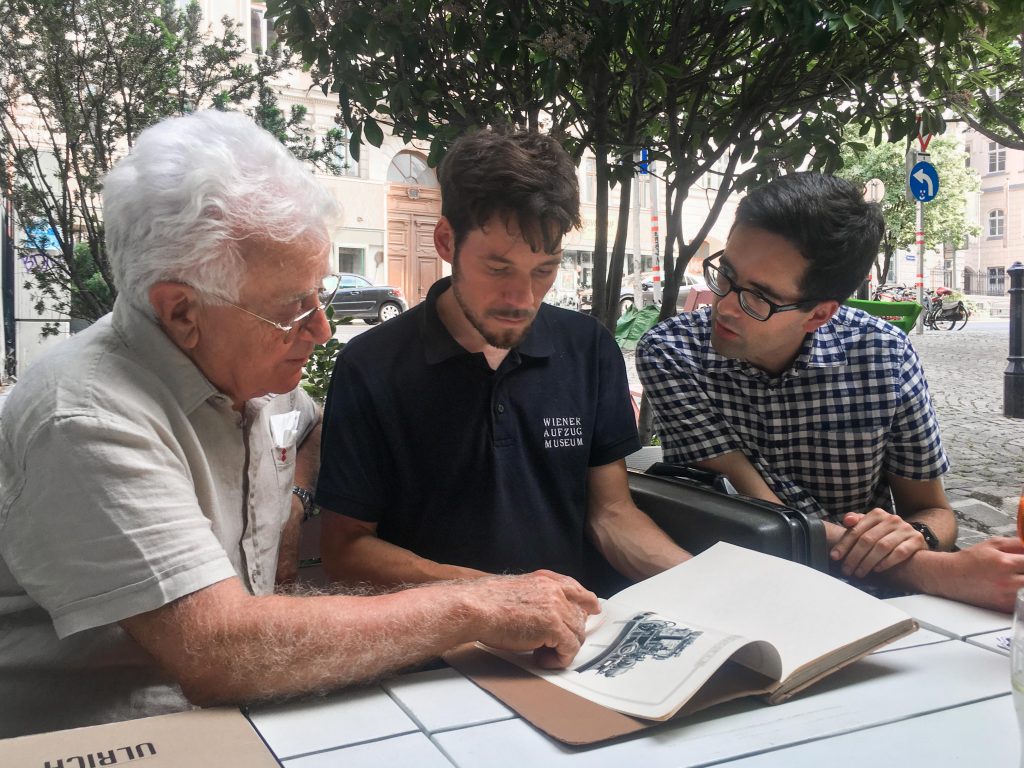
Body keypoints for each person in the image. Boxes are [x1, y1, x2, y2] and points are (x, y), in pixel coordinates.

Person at [0, 111, 599, 739]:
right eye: (292, 308)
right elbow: (219, 651)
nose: (321, 330)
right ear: (180, 312)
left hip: (235, 721)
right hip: (96, 737)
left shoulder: (252, 373)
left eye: (321, 295)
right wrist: (481, 603)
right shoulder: (85, 416)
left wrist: (297, 494)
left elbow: (306, 427)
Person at [316, 129, 689, 596]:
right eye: (498, 269)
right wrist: (503, 598)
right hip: (436, 653)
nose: (523, 298)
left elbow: (610, 513)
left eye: (544, 270)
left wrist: (698, 579)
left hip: (573, 641)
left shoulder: (587, 349)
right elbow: (346, 551)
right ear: (446, 241)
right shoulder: (371, 367)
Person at [636, 172, 1024, 613]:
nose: (724, 306)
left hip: (876, 604)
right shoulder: (674, 352)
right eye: (726, 274)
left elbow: (932, 509)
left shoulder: (883, 354)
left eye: (759, 297)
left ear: (819, 315)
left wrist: (913, 536)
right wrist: (936, 569)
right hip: (741, 589)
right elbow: (767, 521)